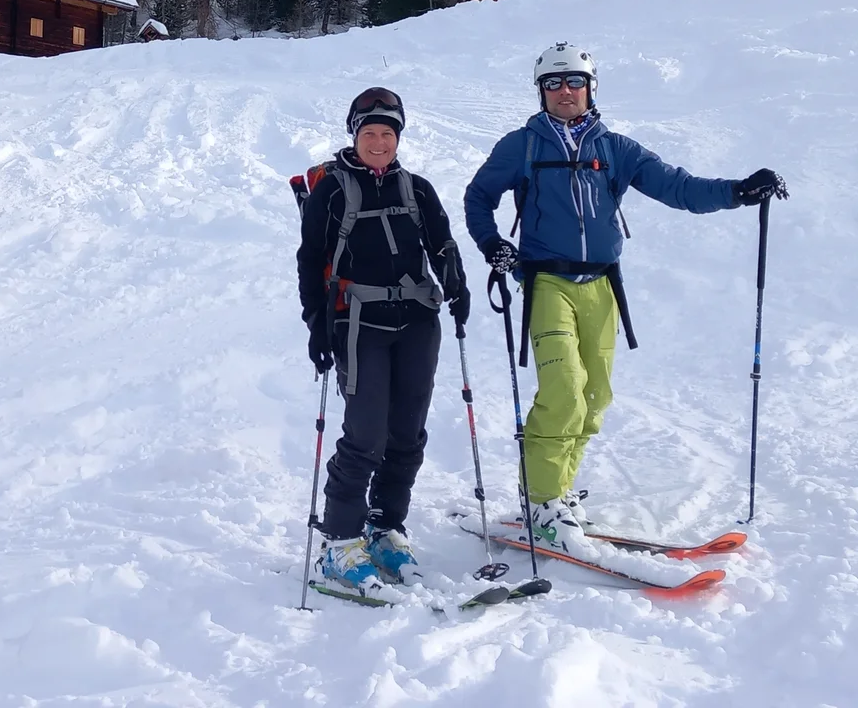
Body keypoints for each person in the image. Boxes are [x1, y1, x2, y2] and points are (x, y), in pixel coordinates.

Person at [463, 43, 784, 560]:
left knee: (595, 396)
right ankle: (541, 501)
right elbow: (478, 196)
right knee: (564, 390)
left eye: (575, 82)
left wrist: (738, 192)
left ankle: (558, 492)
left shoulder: (615, 148)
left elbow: (678, 187)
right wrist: (492, 244)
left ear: (591, 88)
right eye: (553, 84)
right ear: (540, 92)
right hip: (546, 283)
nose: (565, 92)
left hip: (603, 287)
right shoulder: (521, 146)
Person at [297, 86, 470, 592]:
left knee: (407, 435)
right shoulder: (332, 191)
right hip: (358, 326)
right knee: (365, 436)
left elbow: (441, 243)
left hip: (418, 323)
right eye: (369, 133)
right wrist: (316, 324)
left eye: (387, 133)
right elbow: (310, 261)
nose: (378, 142)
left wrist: (455, 282)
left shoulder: (418, 189)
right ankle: (339, 543)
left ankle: (385, 526)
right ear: (355, 136)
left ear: (398, 137)